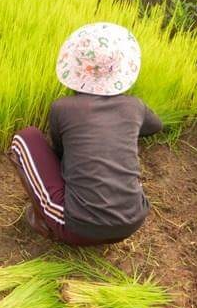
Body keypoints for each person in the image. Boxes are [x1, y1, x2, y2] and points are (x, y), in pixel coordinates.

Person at [9, 22, 163, 246]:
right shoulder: (135, 106)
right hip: (132, 221)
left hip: (77, 228)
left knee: (25, 138)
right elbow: (156, 126)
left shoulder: (62, 108)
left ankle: (44, 221)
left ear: (74, 69)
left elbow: (60, 152)